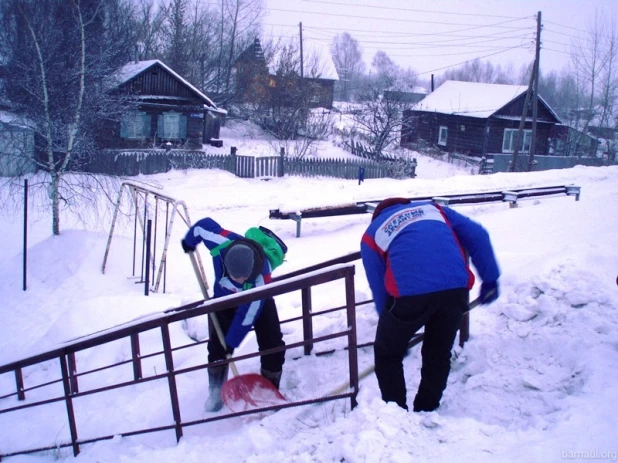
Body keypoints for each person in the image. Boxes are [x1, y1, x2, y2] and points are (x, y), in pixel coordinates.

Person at [360, 197, 500, 412]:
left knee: (387, 353)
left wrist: (392, 330)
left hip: (409, 295)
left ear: (376, 215)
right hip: (455, 289)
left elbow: (379, 285)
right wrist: (489, 279)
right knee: (438, 351)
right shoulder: (434, 210)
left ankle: (395, 412)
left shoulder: (372, 234)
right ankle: (427, 408)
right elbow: (478, 235)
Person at [181, 217, 286, 412]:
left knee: (272, 342)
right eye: (233, 277)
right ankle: (216, 392)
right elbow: (201, 227)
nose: (237, 281)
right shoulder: (220, 241)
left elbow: (247, 317)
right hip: (224, 301)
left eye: (241, 278)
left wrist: (232, 341)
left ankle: (269, 389)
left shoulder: (262, 278)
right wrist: (188, 242)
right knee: (216, 348)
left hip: (256, 301)